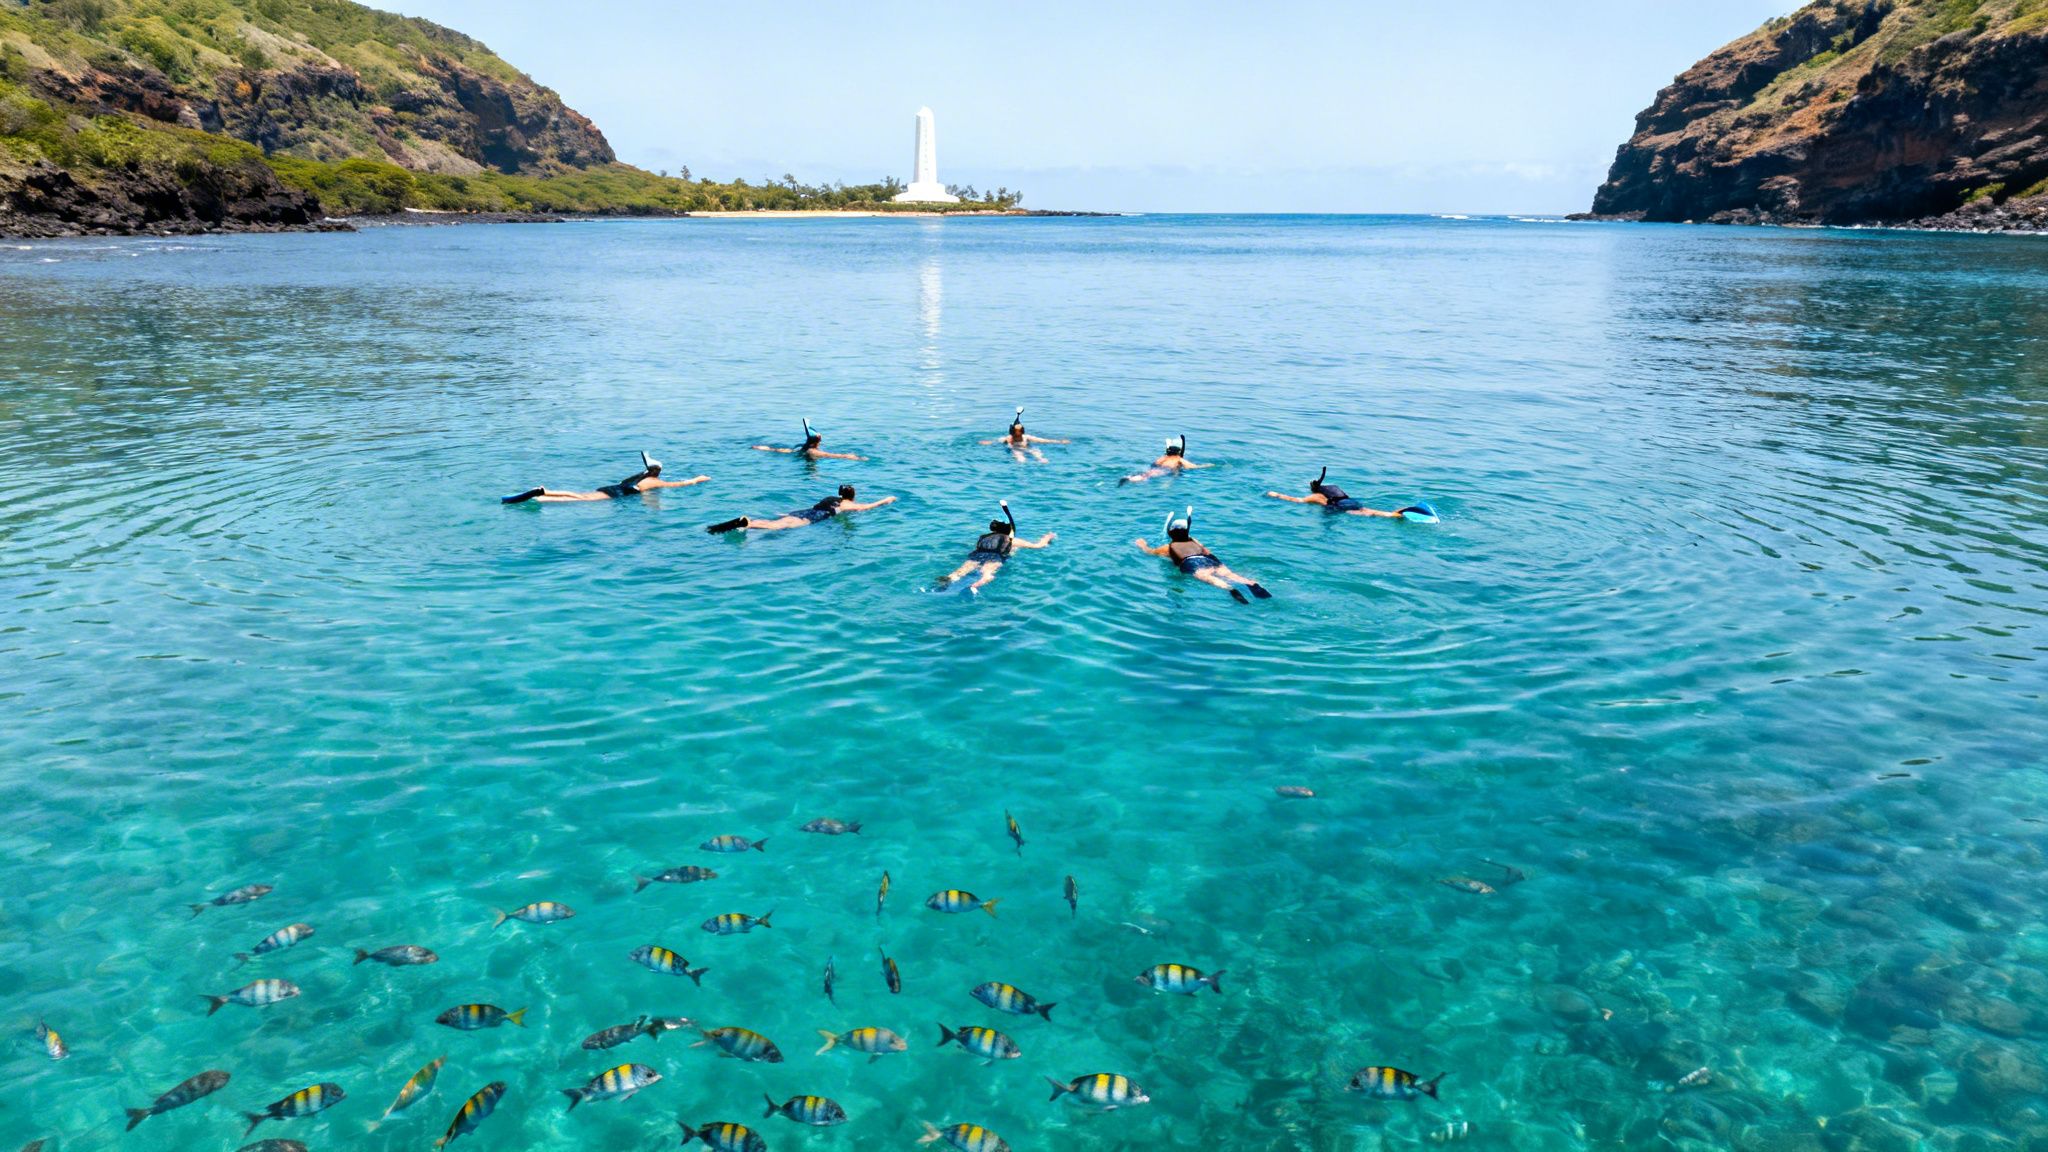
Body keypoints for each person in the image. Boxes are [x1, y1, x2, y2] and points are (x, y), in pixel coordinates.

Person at [1135, 507, 1271, 604]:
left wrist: (1142, 545)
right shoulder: (1195, 541)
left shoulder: (1167, 548)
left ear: (1171, 533)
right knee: (1232, 576)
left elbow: (1150, 553)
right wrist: (1220, 565)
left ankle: (1230, 589)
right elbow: (1208, 553)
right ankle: (1252, 584)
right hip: (1210, 560)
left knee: (1209, 578)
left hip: (1192, 563)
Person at [937, 501, 1055, 592]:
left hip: (977, 555)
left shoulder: (983, 537)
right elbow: (1038, 546)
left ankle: (948, 579)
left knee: (961, 571)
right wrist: (1047, 537)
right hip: (995, 557)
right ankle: (975, 585)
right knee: (987, 573)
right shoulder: (1011, 540)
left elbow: (980, 547)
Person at [502, 453, 709, 504]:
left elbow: (624, 481)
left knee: (581, 496)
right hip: (621, 493)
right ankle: (542, 496)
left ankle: (543, 494)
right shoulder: (655, 482)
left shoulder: (639, 477)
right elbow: (681, 484)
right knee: (582, 500)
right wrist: (697, 479)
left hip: (615, 487)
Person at [1265, 468, 1439, 521]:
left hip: (1342, 508)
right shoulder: (1333, 489)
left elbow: (1295, 500)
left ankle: (1400, 514)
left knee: (1371, 514)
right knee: (1373, 511)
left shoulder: (1316, 497)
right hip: (1351, 501)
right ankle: (1407, 510)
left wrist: (1276, 495)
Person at [706, 484, 896, 533]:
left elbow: (812, 507)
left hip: (803, 511)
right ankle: (749, 526)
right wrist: (886, 500)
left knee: (780, 522)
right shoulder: (848, 505)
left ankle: (750, 522)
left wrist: (788, 513)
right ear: (852, 496)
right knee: (781, 527)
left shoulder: (831, 498)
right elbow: (869, 507)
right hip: (813, 518)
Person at [978, 407, 1069, 463]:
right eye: (1017, 431)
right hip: (1016, 450)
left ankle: (1040, 460)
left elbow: (1043, 440)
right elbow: (997, 441)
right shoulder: (1008, 438)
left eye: (1020, 431)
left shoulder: (1026, 437)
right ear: (1013, 431)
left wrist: (1059, 441)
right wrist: (988, 442)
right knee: (1021, 460)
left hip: (1028, 448)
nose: (1019, 433)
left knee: (1039, 456)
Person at [753, 418, 865, 462]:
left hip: (800, 454)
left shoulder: (805, 446)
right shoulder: (814, 451)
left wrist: (762, 447)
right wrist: (851, 456)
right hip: (809, 463)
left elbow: (779, 450)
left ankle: (760, 448)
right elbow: (832, 455)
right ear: (817, 441)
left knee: (781, 450)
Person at [1120, 435, 1209, 484]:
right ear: (1178, 453)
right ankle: (1131, 480)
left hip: (1155, 467)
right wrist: (1207, 465)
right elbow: (1193, 467)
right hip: (1166, 470)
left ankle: (1129, 478)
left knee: (1146, 474)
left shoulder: (1163, 457)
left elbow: (1154, 464)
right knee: (1150, 476)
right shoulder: (1179, 459)